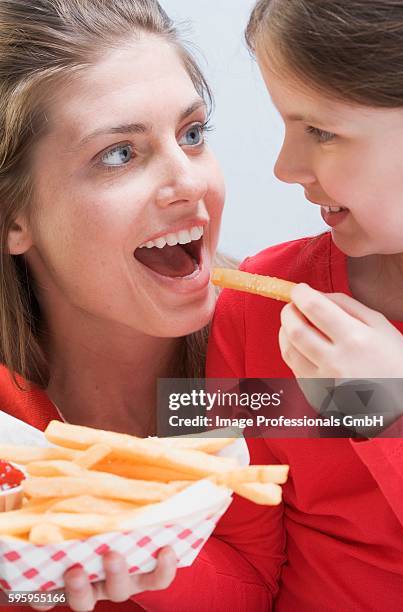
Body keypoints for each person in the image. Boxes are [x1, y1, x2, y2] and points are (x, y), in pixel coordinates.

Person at [0, 2, 274, 611]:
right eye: (120, 153)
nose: (190, 183)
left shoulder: (286, 360)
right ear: (15, 217)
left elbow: (274, 588)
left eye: (193, 134)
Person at [207, 1, 403, 610]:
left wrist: (385, 410)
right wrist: (134, 552)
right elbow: (238, 556)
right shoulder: (254, 306)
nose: (283, 167)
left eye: (321, 130)